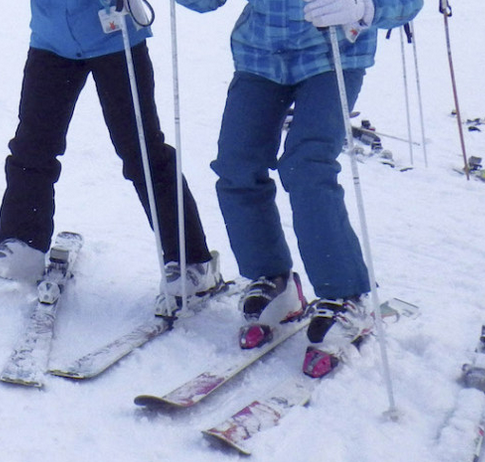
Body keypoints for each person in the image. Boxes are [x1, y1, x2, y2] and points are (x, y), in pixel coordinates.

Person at [174, 0, 422, 355]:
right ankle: (272, 278)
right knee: (236, 165)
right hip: (262, 54)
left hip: (332, 54)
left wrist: (366, 7)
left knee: (307, 166)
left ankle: (346, 294)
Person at [0, 0, 224, 317]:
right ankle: (23, 242)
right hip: (52, 39)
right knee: (33, 145)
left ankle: (191, 260)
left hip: (115, 36)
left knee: (141, 152)